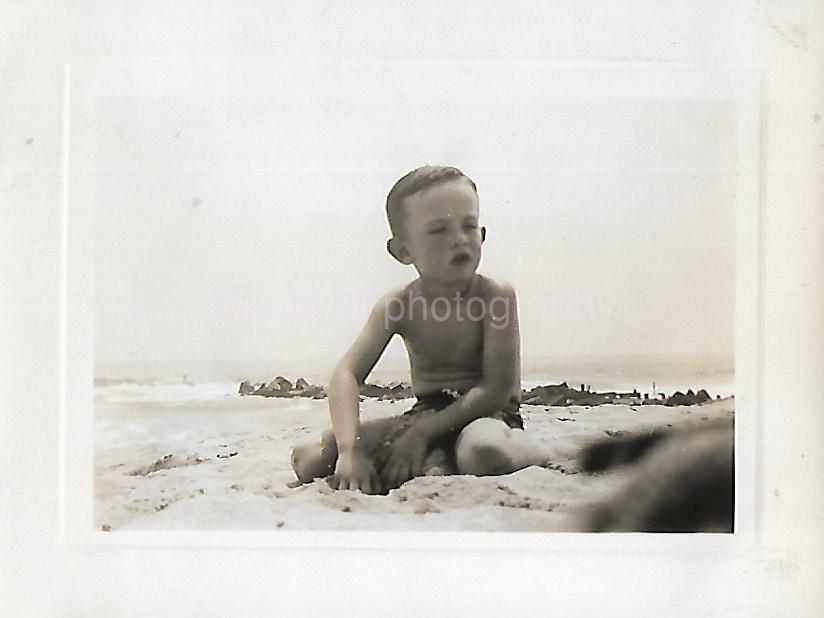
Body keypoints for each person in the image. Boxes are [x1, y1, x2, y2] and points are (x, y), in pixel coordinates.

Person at [290, 165, 554, 494]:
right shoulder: (399, 305)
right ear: (403, 251)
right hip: (426, 414)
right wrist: (349, 449)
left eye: (469, 226)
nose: (459, 238)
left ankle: (548, 452)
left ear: (482, 235)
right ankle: (439, 460)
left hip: (488, 416)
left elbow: (496, 389)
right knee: (311, 457)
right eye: (439, 230)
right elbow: (346, 373)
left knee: (484, 453)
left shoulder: (494, 296)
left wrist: (421, 435)